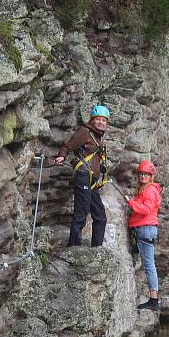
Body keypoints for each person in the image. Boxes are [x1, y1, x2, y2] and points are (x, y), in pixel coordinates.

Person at [54, 104, 111, 247]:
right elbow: (69, 145)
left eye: (104, 120)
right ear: (92, 120)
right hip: (83, 176)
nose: (101, 122)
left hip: (91, 180)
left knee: (100, 216)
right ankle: (74, 247)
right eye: (98, 119)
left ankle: (96, 248)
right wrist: (62, 156)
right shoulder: (85, 132)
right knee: (82, 211)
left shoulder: (99, 137)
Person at [128, 160, 162, 311]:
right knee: (149, 265)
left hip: (145, 229)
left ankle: (153, 300)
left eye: (146, 174)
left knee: (149, 266)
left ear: (151, 176)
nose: (143, 176)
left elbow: (146, 209)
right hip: (144, 229)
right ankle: (153, 299)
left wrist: (131, 203)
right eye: (141, 174)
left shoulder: (150, 190)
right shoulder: (146, 189)